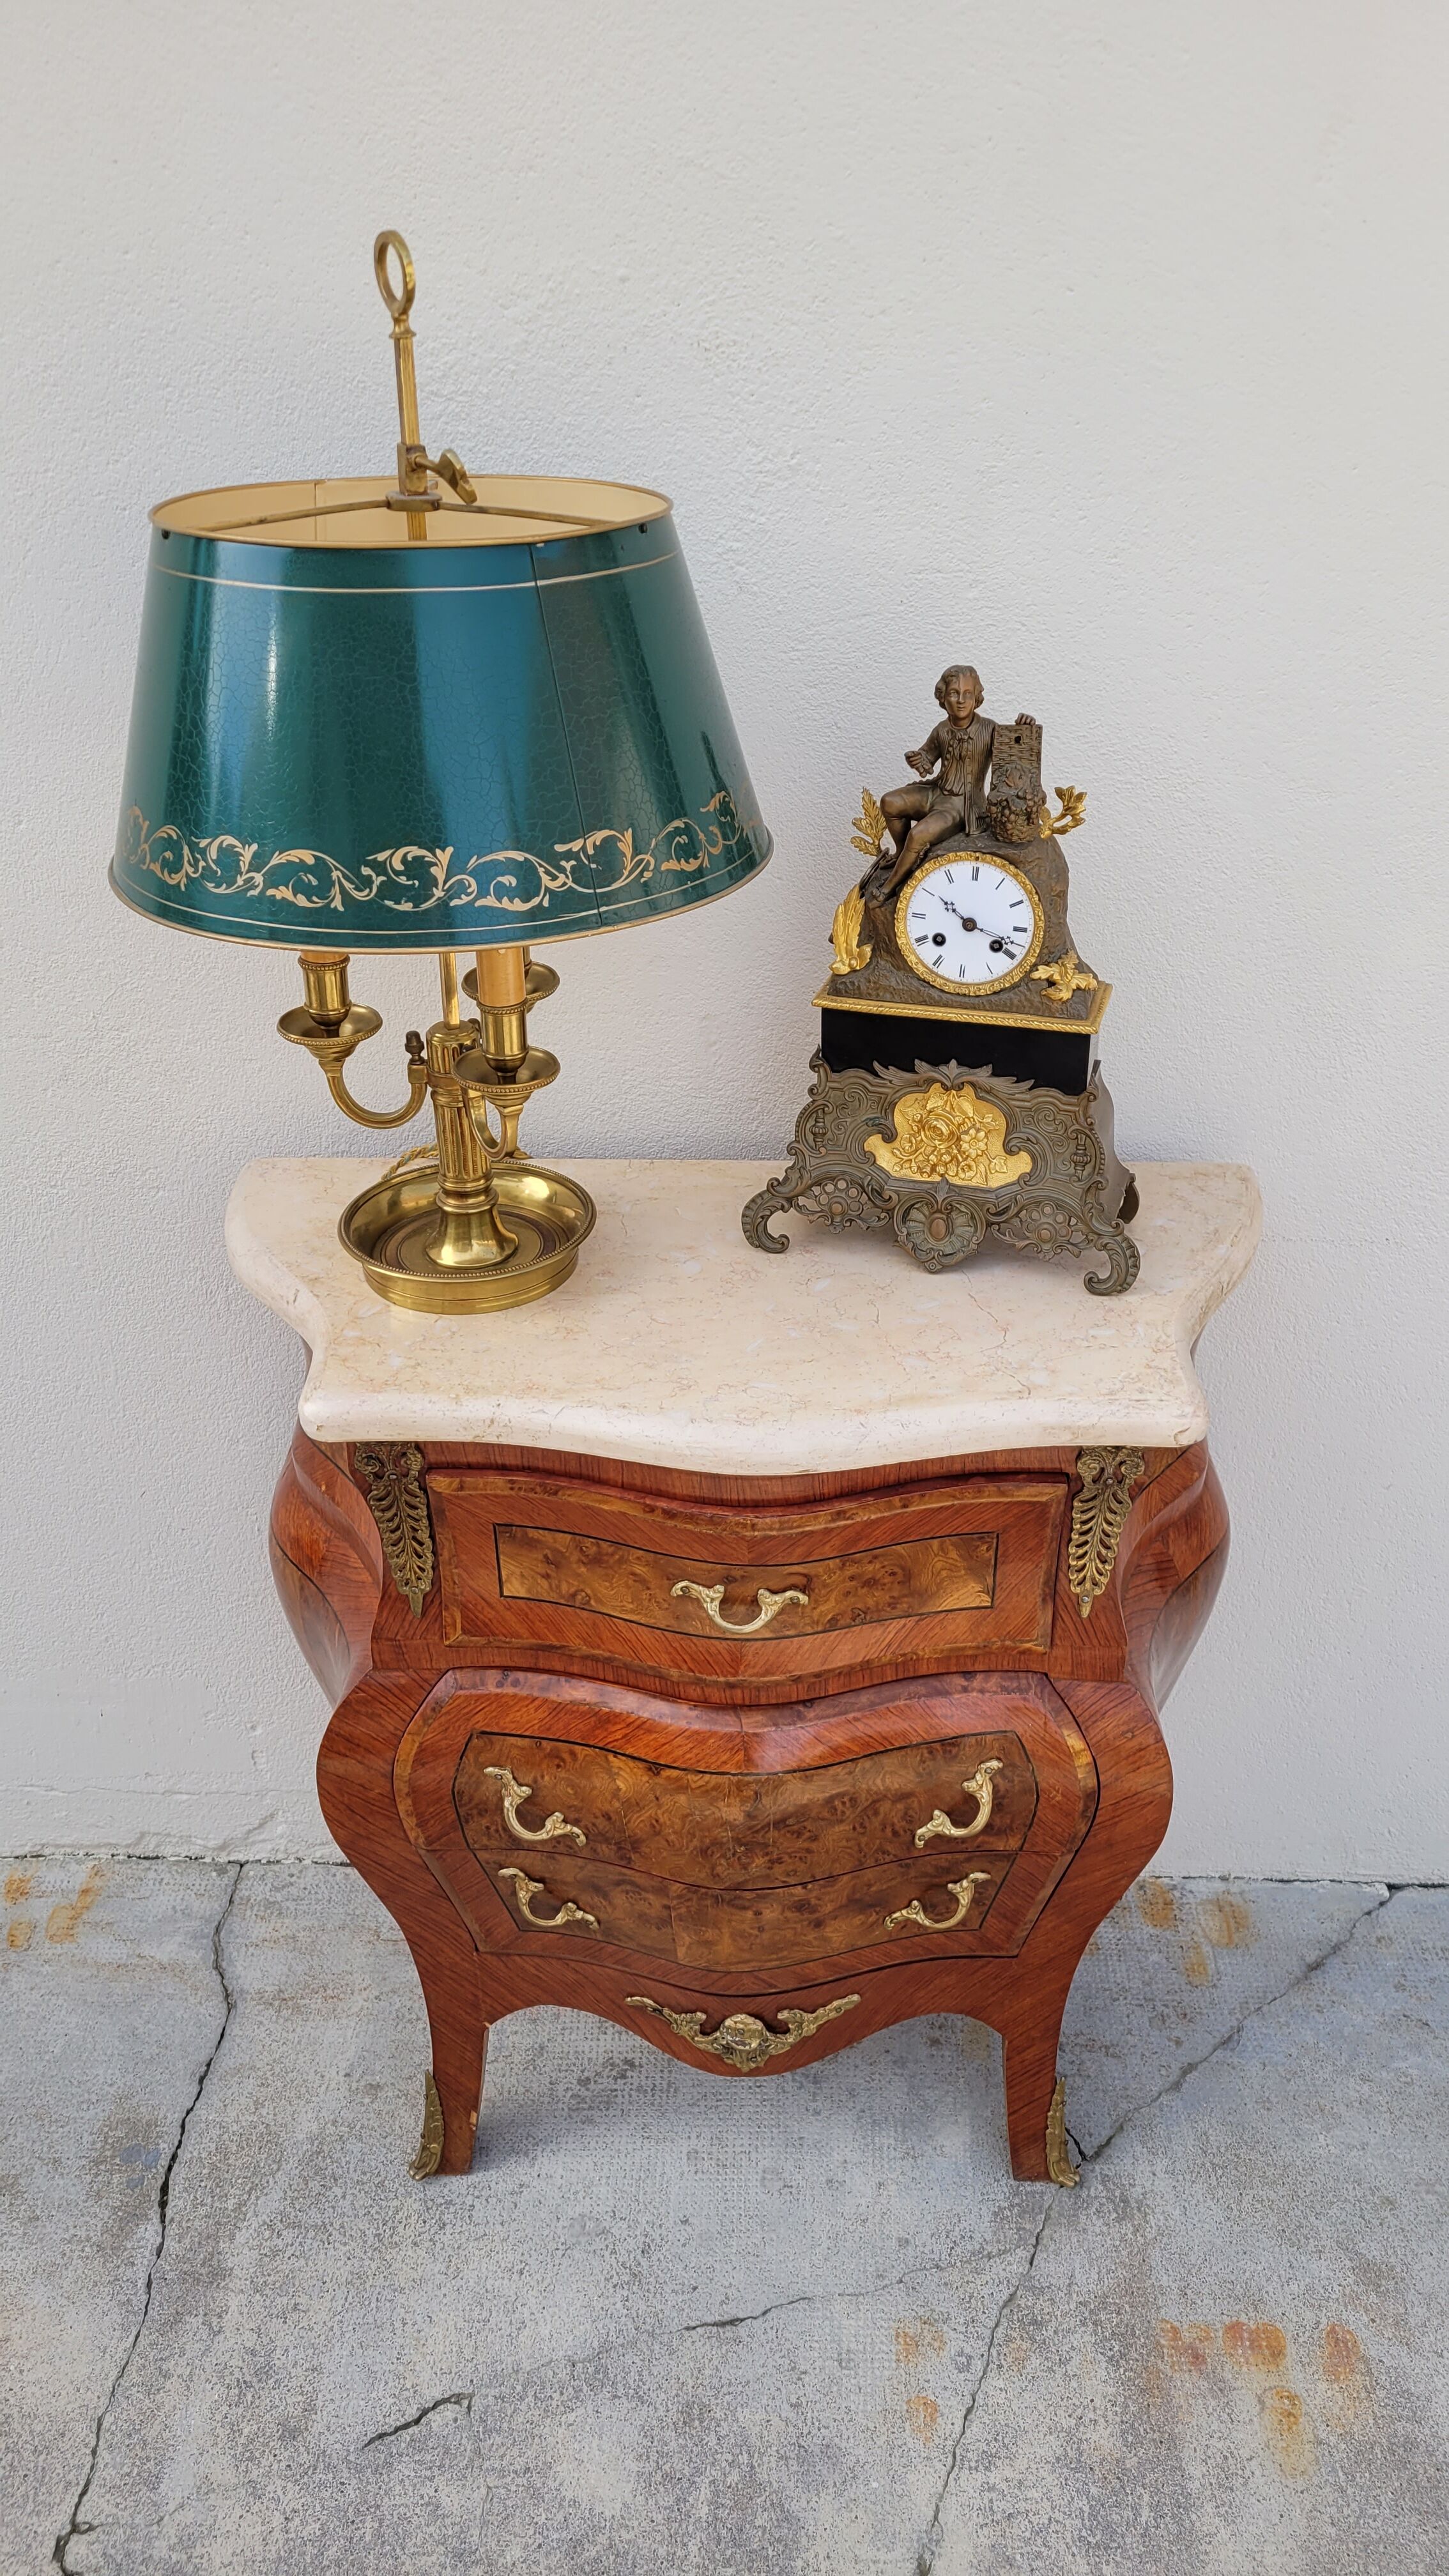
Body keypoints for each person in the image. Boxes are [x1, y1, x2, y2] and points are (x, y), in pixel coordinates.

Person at [878, 665, 996, 894]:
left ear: (977, 698)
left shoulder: (990, 729)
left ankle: (890, 887)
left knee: (919, 835)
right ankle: (902, 854)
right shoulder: (942, 730)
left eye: (968, 694)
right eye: (954, 693)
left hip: (962, 805)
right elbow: (927, 761)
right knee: (889, 802)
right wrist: (918, 759)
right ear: (943, 698)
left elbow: (1016, 749)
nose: (961, 700)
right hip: (937, 792)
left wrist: (1026, 724)